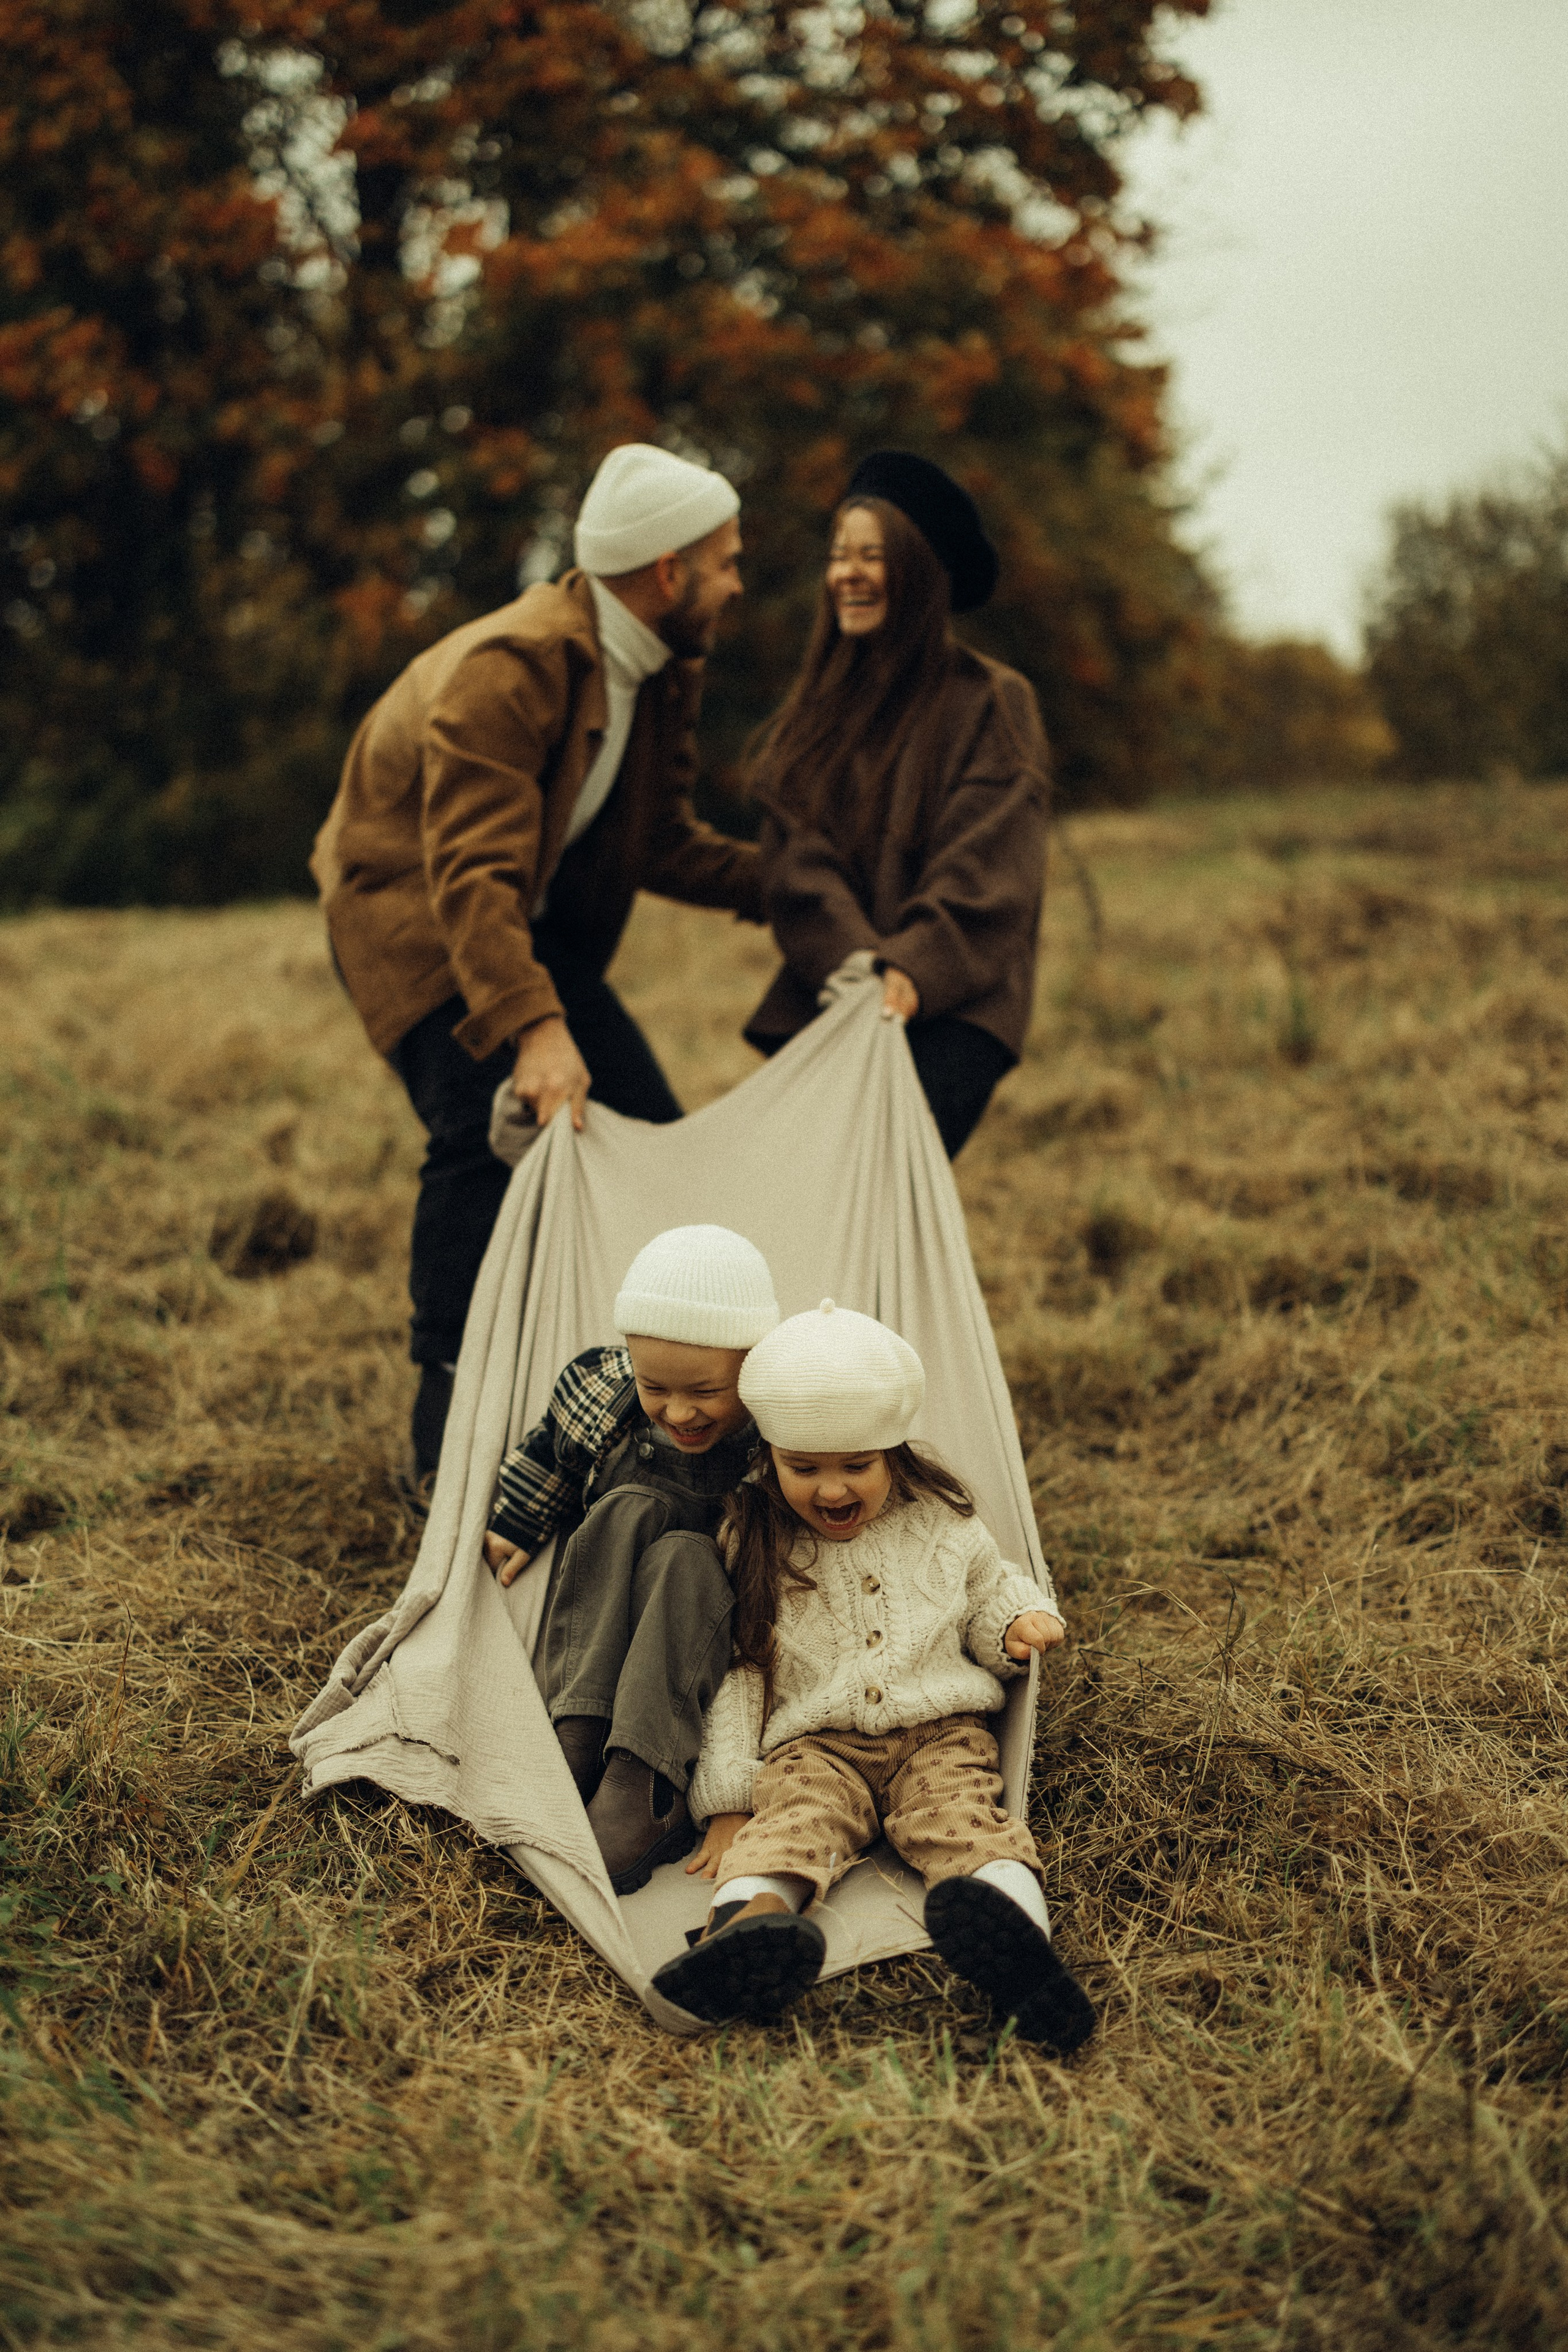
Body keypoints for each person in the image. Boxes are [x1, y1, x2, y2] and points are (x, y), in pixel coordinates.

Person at [311, 446, 763, 1480]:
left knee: (645, 1135)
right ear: (665, 574)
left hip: (524, 921)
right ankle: (447, 1444)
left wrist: (803, 891)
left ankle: (629, 1410)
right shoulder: (511, 667)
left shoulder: (659, 667)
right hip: (414, 914)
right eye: (727, 563)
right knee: (483, 1130)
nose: (738, 583)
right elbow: (469, 873)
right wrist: (537, 1030)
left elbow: (659, 840)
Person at [652, 1300, 1096, 2051]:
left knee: (971, 1830)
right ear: (771, 1458)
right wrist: (727, 1802)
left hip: (937, 1733)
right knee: (787, 1831)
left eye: (856, 1466)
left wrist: (1015, 1626)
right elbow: (740, 1675)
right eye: (804, 1468)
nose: (831, 1490)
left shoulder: (942, 1521)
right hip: (815, 1747)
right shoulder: (751, 1535)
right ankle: (744, 1935)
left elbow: (991, 1590)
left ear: (894, 1453)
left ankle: (1018, 1946)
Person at [743, 450, 1050, 1159]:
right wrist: (855, 970)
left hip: (952, 1008)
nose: (846, 574)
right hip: (837, 999)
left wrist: (909, 968)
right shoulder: (813, 717)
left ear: (916, 571)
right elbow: (799, 864)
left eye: (871, 557)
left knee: (878, 1200)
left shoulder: (993, 702)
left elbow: (988, 864)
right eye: (839, 555)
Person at [481, 1226, 779, 1893]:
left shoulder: (775, 1429)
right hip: (608, 1610)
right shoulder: (602, 1394)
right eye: (656, 1388)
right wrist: (519, 1521)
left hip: (700, 1614)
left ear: (753, 1366)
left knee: (686, 1559)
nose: (679, 1411)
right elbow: (551, 1455)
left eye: (705, 1393)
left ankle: (644, 1779)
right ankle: (578, 1727)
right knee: (624, 1508)